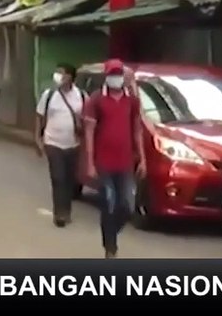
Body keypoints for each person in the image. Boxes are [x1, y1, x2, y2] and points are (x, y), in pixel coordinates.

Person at [83, 59, 146, 258]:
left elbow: (137, 129)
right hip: (104, 162)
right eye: (113, 74)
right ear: (106, 76)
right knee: (108, 203)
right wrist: (90, 163)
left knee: (126, 205)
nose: (116, 77)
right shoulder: (96, 100)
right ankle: (110, 246)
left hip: (125, 163)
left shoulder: (132, 101)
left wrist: (142, 158)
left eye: (119, 74)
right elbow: (89, 132)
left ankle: (110, 234)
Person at [35, 63, 86, 227]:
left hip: (73, 144)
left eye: (62, 74)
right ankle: (60, 214)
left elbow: (90, 119)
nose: (58, 76)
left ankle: (67, 209)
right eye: (57, 73)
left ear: (71, 77)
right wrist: (37, 138)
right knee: (57, 177)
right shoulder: (49, 95)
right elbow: (39, 116)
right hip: (53, 142)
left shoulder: (82, 96)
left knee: (69, 179)